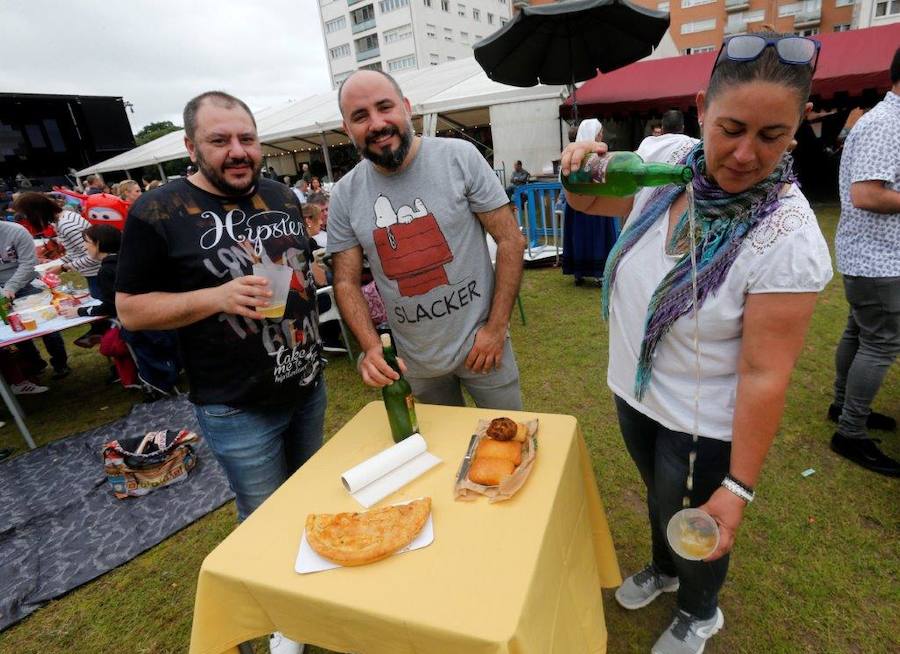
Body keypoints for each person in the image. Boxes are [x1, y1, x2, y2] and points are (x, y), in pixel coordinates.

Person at [561, 32, 832, 653]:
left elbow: (767, 375)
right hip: (634, 390)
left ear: (797, 128)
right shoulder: (661, 160)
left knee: (699, 522)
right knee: (660, 502)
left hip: (699, 422)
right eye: (731, 127)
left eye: (772, 135)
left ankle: (699, 609)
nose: (744, 154)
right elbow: (588, 202)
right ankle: (662, 570)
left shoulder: (787, 238)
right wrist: (574, 170)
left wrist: (736, 490)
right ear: (701, 107)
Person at [115, 91, 323, 654]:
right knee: (263, 516)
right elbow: (130, 309)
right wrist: (217, 297)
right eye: (220, 140)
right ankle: (284, 619)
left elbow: (297, 267)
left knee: (309, 500)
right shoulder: (157, 210)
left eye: (247, 139)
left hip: (306, 383)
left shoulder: (281, 195)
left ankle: (315, 596)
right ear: (191, 146)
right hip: (236, 405)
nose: (238, 152)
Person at [328, 69, 526, 410]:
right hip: (413, 362)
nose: (376, 124)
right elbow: (345, 281)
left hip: (483, 348)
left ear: (406, 107)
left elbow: (510, 241)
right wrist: (372, 346)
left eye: (384, 107)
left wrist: (496, 329)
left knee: (511, 443)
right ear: (347, 129)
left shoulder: (459, 158)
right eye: (360, 116)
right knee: (439, 455)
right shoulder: (345, 194)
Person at [828, 47, 900, 477]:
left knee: (860, 332)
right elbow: (866, 193)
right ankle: (851, 430)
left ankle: (844, 406)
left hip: (873, 257)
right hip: (878, 259)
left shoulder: (883, 121)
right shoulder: (886, 124)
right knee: (882, 343)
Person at [13, 191, 103, 348]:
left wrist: (63, 267)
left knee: (104, 312)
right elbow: (75, 252)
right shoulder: (62, 220)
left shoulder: (67, 225)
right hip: (94, 274)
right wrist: (56, 265)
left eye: (27, 215)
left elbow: (93, 256)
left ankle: (109, 342)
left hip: (99, 274)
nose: (27, 220)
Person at [0, 219, 69, 382]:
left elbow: (28, 264)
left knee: (46, 323)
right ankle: (35, 364)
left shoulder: (16, 231)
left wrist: (11, 288)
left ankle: (60, 363)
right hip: (2, 289)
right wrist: (2, 293)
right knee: (14, 328)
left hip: (27, 282)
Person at [561, 119, 621, 286]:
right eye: (600, 132)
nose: (602, 135)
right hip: (588, 202)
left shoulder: (598, 152)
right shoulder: (576, 154)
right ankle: (583, 272)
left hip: (587, 203)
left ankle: (590, 272)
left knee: (586, 236)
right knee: (586, 236)